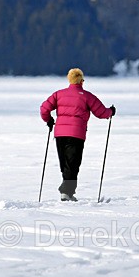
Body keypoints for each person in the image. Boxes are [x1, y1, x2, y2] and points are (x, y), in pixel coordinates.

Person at [40, 67, 115, 201]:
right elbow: (101, 112)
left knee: (65, 163)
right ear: (81, 81)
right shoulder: (87, 96)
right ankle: (66, 192)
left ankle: (67, 192)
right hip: (76, 134)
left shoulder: (58, 94)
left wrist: (49, 120)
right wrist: (110, 112)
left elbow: (44, 108)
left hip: (59, 134)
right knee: (72, 164)